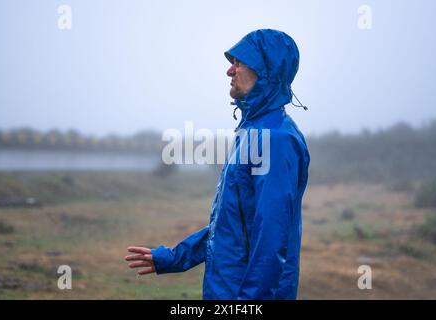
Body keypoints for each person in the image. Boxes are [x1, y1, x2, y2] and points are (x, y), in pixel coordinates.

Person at [125, 29, 310, 300]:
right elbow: (231, 226)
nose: (229, 71)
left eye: (239, 63)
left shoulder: (277, 139)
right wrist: (173, 258)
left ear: (266, 71)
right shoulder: (251, 133)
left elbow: (270, 238)